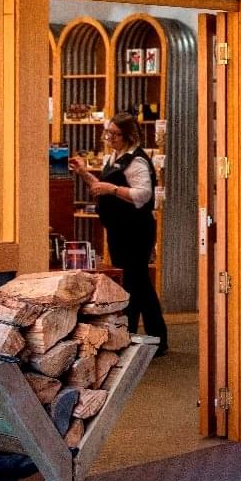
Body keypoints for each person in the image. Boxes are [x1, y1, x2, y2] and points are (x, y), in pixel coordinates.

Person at [68, 112, 168, 355]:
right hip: (119, 229)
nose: (109, 138)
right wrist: (84, 173)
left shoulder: (137, 161)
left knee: (137, 282)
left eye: (114, 134)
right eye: (108, 133)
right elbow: (101, 188)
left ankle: (146, 337)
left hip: (136, 230)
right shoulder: (115, 157)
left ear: (128, 135)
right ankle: (144, 337)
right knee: (134, 282)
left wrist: (112, 189)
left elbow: (142, 194)